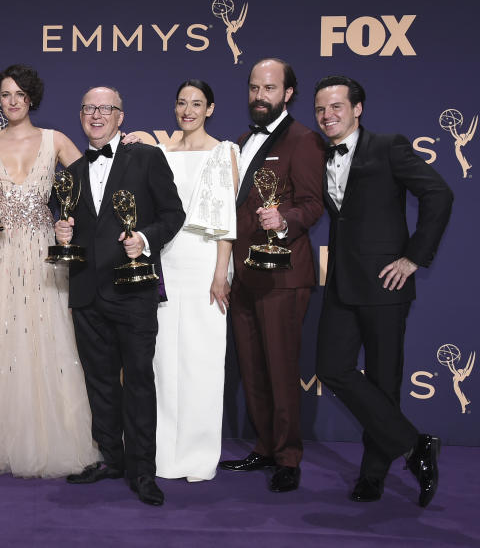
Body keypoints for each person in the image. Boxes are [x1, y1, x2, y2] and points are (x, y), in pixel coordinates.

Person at [0, 64, 100, 478]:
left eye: (19, 94)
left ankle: (50, 439)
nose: (12, 101)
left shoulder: (55, 140)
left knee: (45, 341)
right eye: (5, 95)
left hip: (39, 250)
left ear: (31, 98)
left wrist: (128, 144)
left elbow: (94, 178)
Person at [312, 75, 453, 506]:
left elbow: (439, 194)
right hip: (340, 281)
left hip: (386, 283)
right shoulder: (317, 154)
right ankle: (415, 444)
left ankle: (372, 476)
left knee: (384, 380)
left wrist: (413, 257)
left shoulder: (388, 145)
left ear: (358, 109)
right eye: (320, 109)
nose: (327, 115)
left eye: (336, 106)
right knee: (332, 368)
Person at [55, 85, 184, 506]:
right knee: (101, 382)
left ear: (120, 115)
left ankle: (143, 470)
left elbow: (173, 215)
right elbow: (74, 225)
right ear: (80, 115)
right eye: (88, 108)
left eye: (104, 108)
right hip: (88, 292)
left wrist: (145, 239)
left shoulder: (146, 156)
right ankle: (111, 457)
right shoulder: (70, 173)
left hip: (134, 290)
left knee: (140, 383)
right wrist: (63, 233)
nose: (95, 115)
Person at [218, 58, 325, 493]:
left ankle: (288, 458)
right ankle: (264, 446)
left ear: (288, 93)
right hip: (245, 275)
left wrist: (282, 221)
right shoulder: (242, 140)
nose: (259, 96)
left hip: (283, 275)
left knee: (281, 370)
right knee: (254, 369)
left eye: (269, 88)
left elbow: (313, 204)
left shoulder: (304, 140)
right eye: (254, 88)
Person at [154, 80, 238, 482]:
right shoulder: (160, 154)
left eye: (197, 103)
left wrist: (221, 272)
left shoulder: (225, 152)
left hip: (206, 262)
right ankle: (162, 453)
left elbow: (226, 220)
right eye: (182, 102)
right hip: (164, 261)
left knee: (201, 361)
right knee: (163, 361)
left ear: (211, 108)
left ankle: (199, 454)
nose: (188, 110)